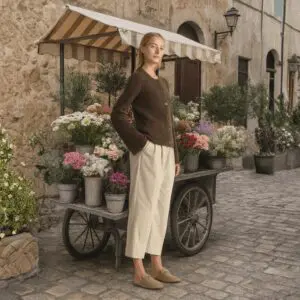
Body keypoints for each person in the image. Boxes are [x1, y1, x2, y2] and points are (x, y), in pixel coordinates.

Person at [111, 32, 181, 290]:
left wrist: (175, 155)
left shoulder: (162, 83)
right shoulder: (138, 78)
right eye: (153, 46)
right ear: (142, 49)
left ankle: (157, 265)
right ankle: (139, 270)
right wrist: (140, 144)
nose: (157, 51)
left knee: (160, 208)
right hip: (148, 151)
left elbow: (169, 123)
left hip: (165, 154)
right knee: (143, 208)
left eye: (161, 48)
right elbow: (118, 114)